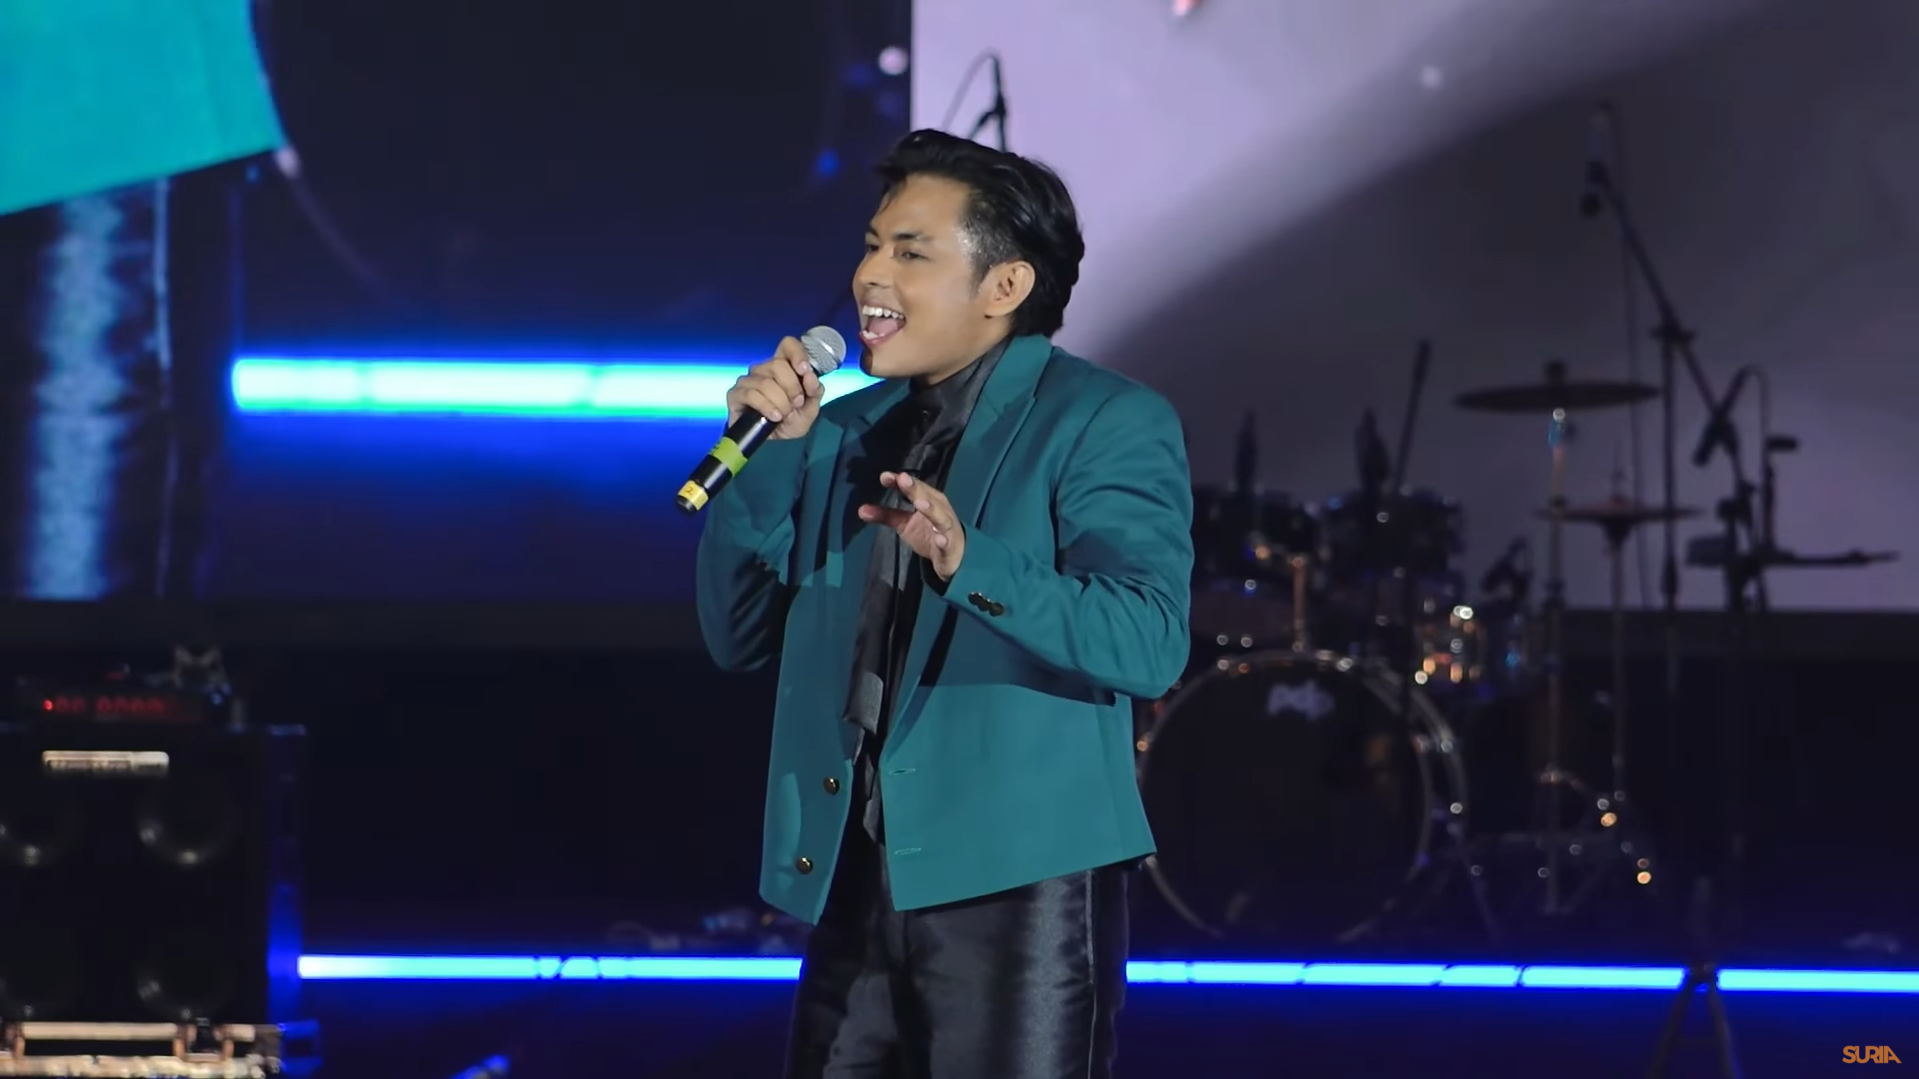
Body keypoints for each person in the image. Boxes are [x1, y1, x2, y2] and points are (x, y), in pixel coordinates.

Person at [694, 129, 1194, 1078]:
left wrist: (970, 561)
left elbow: (1147, 639)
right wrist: (770, 460)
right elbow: (738, 635)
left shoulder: (1102, 417)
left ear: (1003, 285)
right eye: (870, 245)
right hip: (853, 877)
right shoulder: (837, 431)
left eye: (909, 252)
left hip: (1020, 886)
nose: (869, 275)